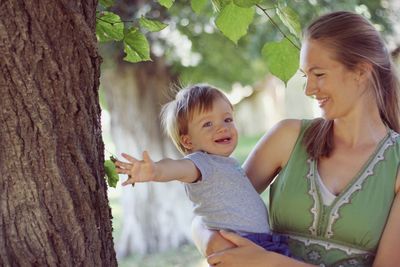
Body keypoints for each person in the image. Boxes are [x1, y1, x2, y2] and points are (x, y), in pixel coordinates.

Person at [192, 11, 400, 267]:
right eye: (306, 76)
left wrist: (269, 262)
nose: (309, 89)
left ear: (361, 71)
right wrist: (208, 240)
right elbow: (213, 208)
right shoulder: (287, 138)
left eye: (319, 74)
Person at [115, 84, 291, 256]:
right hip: (241, 246)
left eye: (227, 119)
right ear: (188, 142)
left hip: (262, 243)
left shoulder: (226, 163)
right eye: (208, 124)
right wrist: (155, 171)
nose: (222, 127)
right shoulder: (201, 163)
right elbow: (177, 168)